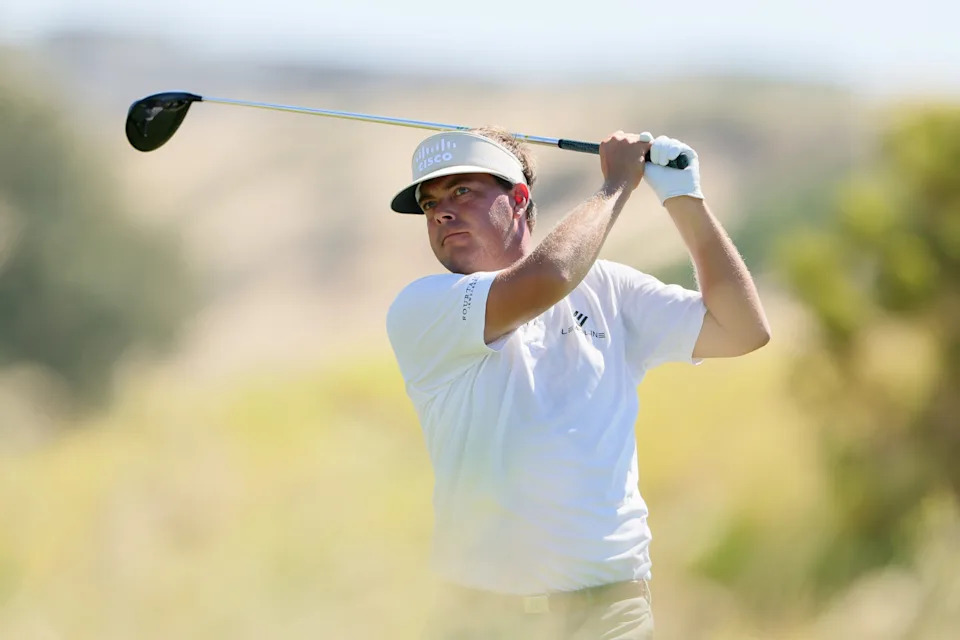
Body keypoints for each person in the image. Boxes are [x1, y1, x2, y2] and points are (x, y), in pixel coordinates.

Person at [385, 125, 770, 639]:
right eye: (430, 204)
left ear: (519, 199)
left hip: (612, 612)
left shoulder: (608, 288)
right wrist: (616, 186)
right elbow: (547, 279)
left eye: (462, 192)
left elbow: (742, 328)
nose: (443, 212)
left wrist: (682, 198)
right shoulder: (422, 306)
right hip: (485, 618)